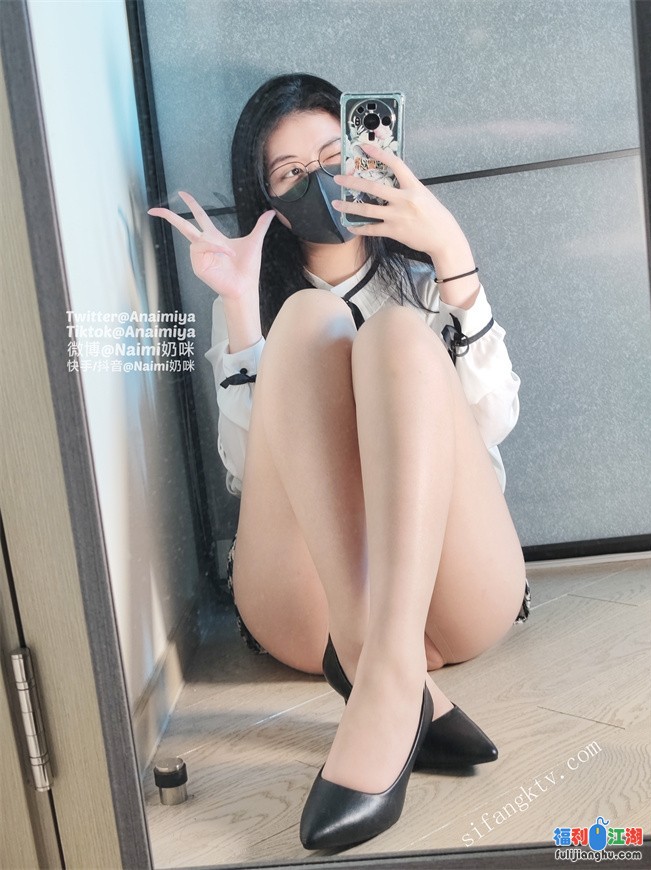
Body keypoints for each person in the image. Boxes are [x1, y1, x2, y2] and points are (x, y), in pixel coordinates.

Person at [148, 72, 530, 851]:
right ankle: (380, 665)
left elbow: (493, 422)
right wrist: (240, 310)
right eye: (290, 173)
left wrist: (451, 253)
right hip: (311, 612)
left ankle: (380, 674)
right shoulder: (262, 311)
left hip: (456, 592)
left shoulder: (425, 283)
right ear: (266, 198)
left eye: (331, 159)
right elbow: (248, 473)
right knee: (308, 320)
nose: (316, 183)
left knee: (395, 335)